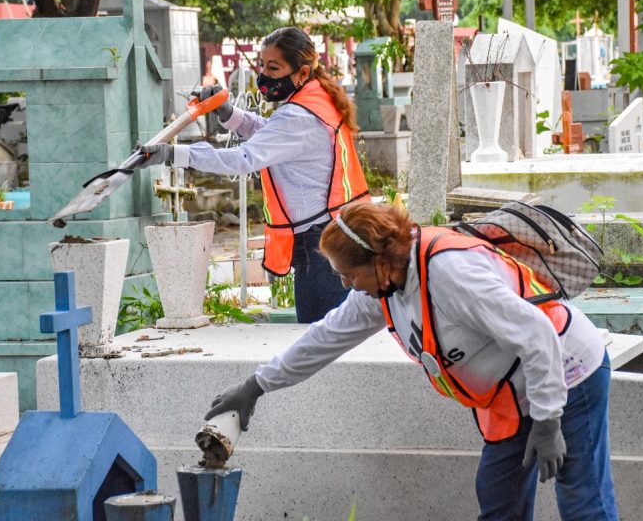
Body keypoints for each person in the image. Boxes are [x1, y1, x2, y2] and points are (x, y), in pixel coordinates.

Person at [204, 202, 619, 521]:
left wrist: (548, 421)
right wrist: (256, 386)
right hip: (511, 394)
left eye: (349, 274)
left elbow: (537, 333)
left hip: (567, 371)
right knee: (499, 500)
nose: (347, 285)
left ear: (380, 261)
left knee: (582, 499)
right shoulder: (381, 289)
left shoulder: (450, 273)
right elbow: (324, 338)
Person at [137, 27, 370, 323]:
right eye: (261, 65)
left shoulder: (299, 116)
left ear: (302, 72)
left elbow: (243, 158)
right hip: (333, 229)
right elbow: (269, 133)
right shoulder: (316, 99)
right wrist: (226, 112)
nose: (264, 74)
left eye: (274, 68)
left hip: (319, 243)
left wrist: (176, 154)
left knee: (321, 338)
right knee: (335, 334)